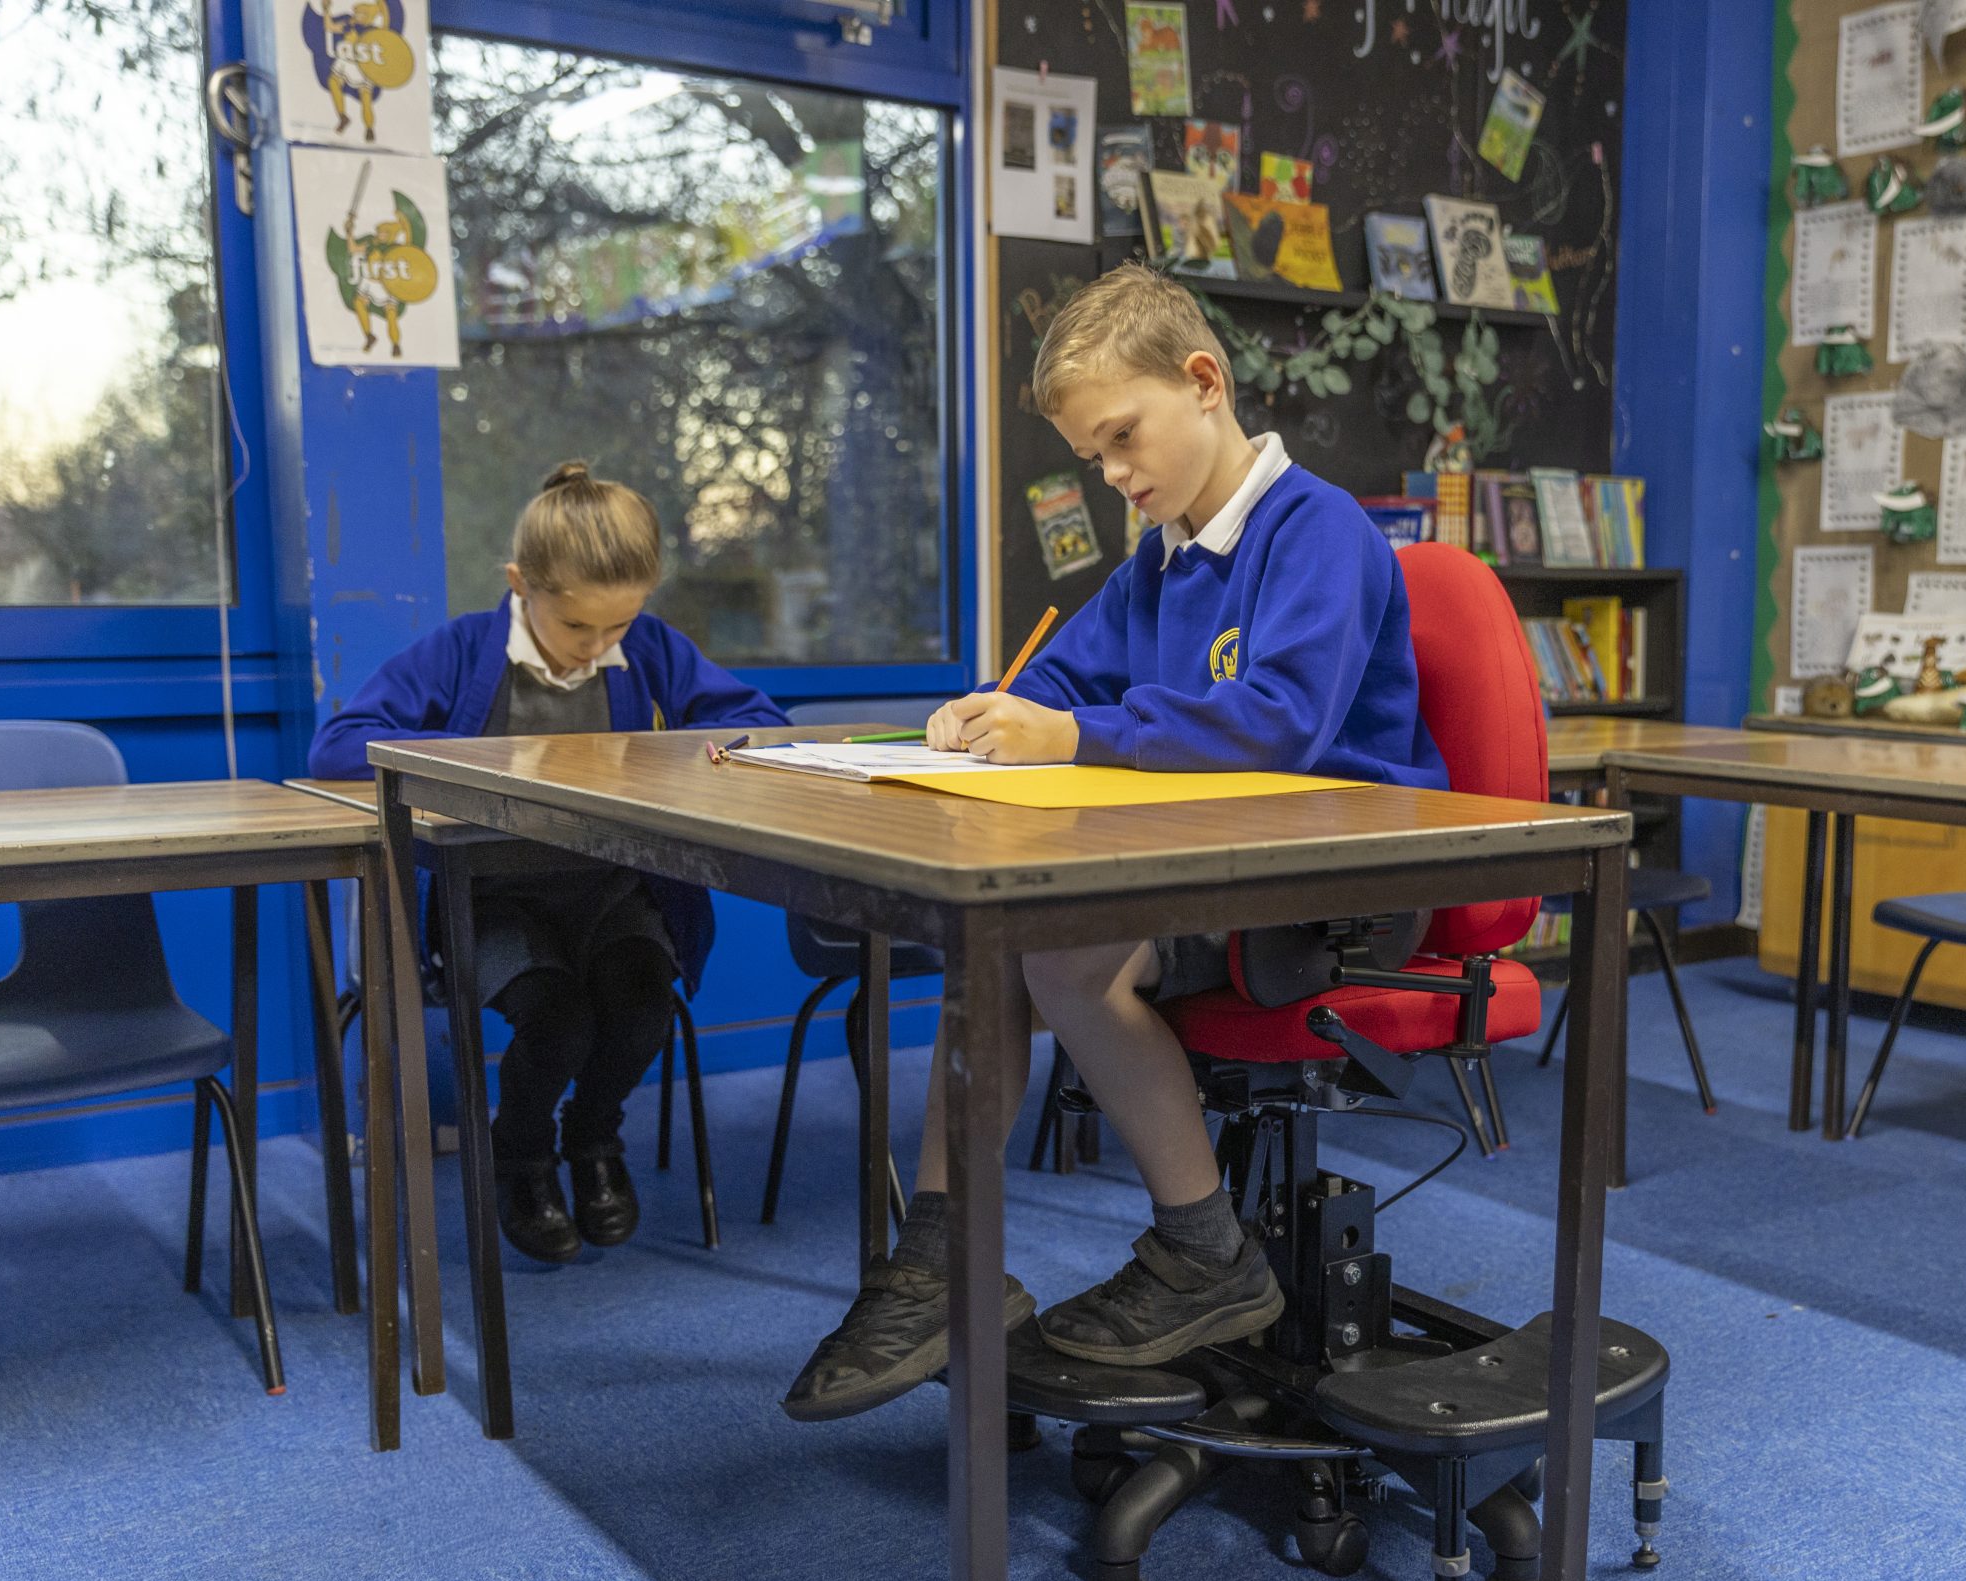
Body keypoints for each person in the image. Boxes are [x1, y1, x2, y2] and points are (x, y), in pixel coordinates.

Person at [784, 264, 1448, 1421]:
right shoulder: (1164, 556)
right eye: (1094, 459)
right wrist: (998, 707)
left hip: (1337, 878)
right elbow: (1063, 674)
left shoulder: (1318, 531)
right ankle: (941, 1262)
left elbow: (1279, 720)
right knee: (988, 947)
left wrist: (1074, 731)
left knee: (1062, 955)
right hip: (1212, 861)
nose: (1115, 477)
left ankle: (1205, 1253)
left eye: (1122, 439)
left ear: (1203, 383)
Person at [310, 462, 783, 1262]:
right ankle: (521, 1157)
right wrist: (490, 757)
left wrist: (679, 757)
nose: (595, 648)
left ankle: (594, 1140)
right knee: (559, 1023)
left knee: (641, 1006)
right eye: (576, 629)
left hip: (611, 890)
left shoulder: (655, 650)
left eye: (617, 628)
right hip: (495, 900)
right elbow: (338, 746)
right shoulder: (460, 650)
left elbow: (757, 723)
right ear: (520, 584)